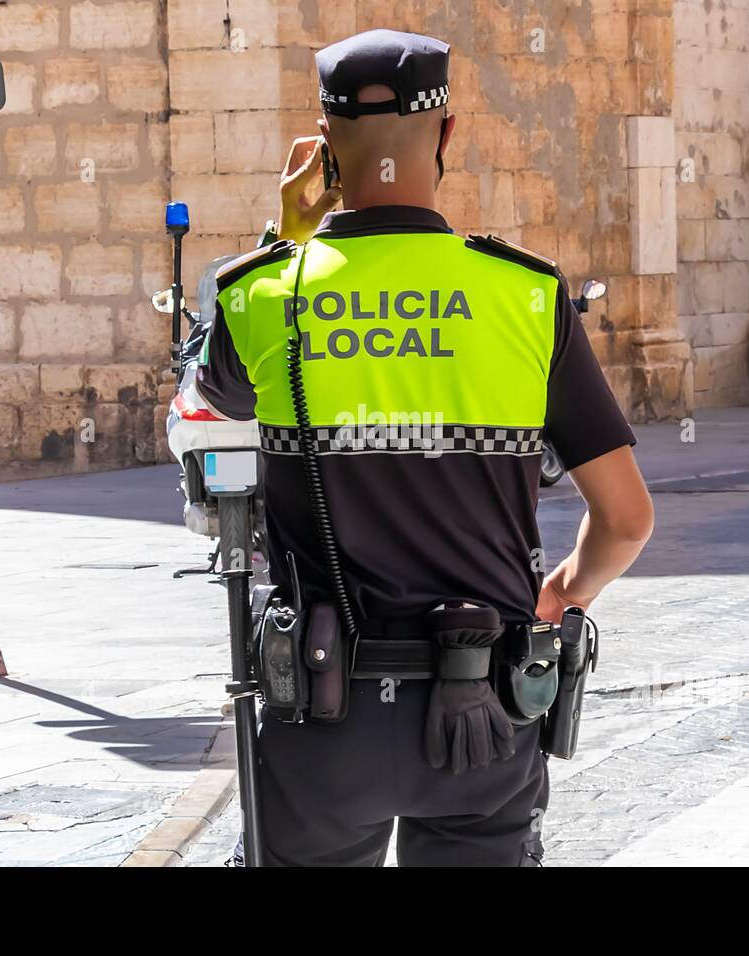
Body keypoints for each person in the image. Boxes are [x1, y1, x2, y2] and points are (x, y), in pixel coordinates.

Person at [197, 29, 653, 866]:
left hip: (321, 722)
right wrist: (564, 590)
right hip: (483, 716)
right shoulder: (525, 296)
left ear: (327, 146)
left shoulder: (263, 291)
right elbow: (625, 519)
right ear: (447, 132)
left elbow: (213, 397)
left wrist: (288, 235)